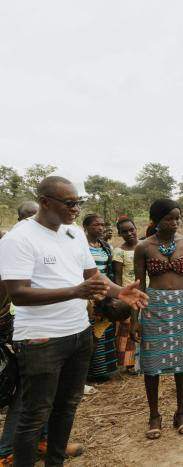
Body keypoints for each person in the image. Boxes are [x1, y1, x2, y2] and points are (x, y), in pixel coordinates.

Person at [0, 176, 147, 467]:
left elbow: (92, 276)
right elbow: (19, 294)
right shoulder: (19, 238)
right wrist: (75, 292)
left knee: (66, 407)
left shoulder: (72, 234)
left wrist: (121, 291)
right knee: (34, 414)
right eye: (69, 203)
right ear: (45, 202)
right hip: (41, 339)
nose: (76, 209)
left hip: (79, 335)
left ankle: (55, 462)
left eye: (78, 202)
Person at [132, 199, 183, 439]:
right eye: (168, 219)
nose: (174, 223)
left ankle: (180, 412)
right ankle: (154, 415)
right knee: (152, 364)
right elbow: (138, 285)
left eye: (177, 218)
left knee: (182, 362)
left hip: (181, 307)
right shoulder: (144, 247)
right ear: (156, 221)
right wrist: (135, 318)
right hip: (153, 308)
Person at [83, 214, 118, 381]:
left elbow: (108, 270)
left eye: (102, 225)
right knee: (90, 334)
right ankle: (87, 374)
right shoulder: (81, 245)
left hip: (105, 291)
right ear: (86, 227)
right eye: (96, 225)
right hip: (88, 294)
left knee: (104, 331)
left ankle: (102, 370)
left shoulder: (105, 246)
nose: (101, 228)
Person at [112, 216, 139, 372]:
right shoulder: (119, 251)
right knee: (127, 328)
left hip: (146, 291)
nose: (129, 233)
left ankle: (144, 359)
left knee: (144, 325)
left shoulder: (145, 246)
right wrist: (120, 295)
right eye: (124, 232)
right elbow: (117, 276)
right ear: (120, 234)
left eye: (131, 229)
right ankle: (129, 363)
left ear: (136, 229)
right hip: (129, 294)